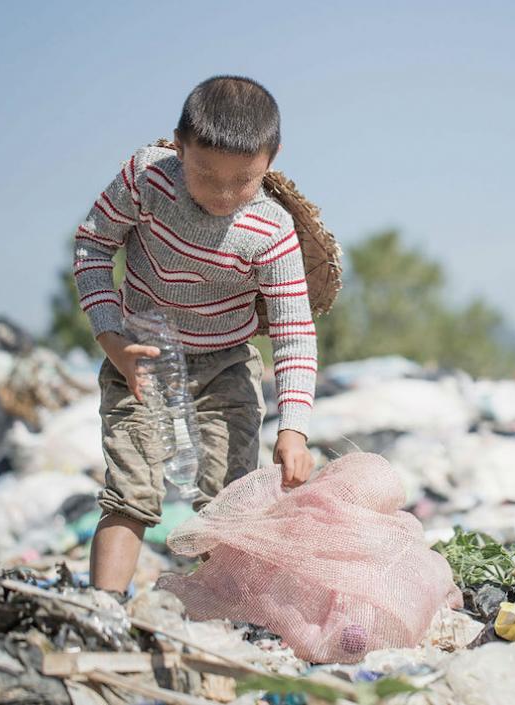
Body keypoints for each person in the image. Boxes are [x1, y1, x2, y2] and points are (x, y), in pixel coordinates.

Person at [71, 75, 317, 593]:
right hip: (140, 359)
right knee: (130, 493)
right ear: (178, 146)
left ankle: (216, 611)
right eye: (206, 175)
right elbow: (93, 247)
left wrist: (293, 427)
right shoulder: (147, 180)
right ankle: (101, 612)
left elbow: (294, 331)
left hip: (225, 363)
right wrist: (111, 340)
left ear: (271, 159)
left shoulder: (271, 231)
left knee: (229, 503)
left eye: (243, 181)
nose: (224, 195)